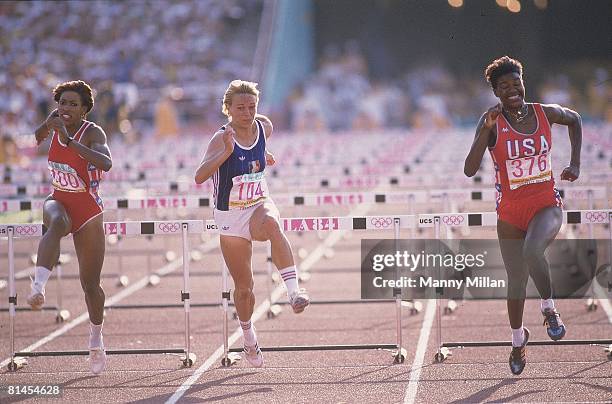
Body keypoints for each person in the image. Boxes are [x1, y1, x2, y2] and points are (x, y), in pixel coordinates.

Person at [464, 56, 582, 375]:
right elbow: (469, 169)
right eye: (504, 86)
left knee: (533, 252)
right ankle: (518, 341)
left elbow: (576, 120)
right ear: (496, 92)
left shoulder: (546, 112)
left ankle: (549, 308)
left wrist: (575, 164)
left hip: (546, 203)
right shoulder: (490, 120)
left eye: (516, 83)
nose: (512, 89)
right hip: (510, 212)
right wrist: (485, 130)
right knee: (516, 280)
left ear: (522, 82)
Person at [195, 80, 310, 367]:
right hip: (231, 216)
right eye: (240, 108)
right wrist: (225, 153)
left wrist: (263, 155)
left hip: (258, 204)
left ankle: (295, 292)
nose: (247, 113)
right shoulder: (220, 138)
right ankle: (248, 339)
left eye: (252, 107)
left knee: (273, 223)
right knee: (244, 288)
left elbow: (265, 128)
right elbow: (199, 176)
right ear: (228, 110)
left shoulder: (263, 129)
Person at [28, 80, 113, 375]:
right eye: (62, 102)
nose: (65, 108)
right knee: (57, 222)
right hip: (58, 200)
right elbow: (33, 140)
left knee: (90, 285)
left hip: (88, 209)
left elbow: (106, 163)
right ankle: (37, 287)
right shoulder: (53, 123)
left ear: (85, 110)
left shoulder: (93, 132)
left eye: (73, 104)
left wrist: (69, 141)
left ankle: (95, 338)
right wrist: (46, 126)